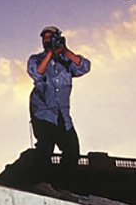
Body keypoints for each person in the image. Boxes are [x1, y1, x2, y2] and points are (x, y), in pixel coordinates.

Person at [27, 26, 90, 188]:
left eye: (51, 37)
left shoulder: (66, 60)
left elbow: (84, 67)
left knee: (72, 149)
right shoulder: (36, 59)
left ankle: (63, 186)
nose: (47, 40)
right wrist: (49, 54)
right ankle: (42, 183)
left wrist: (65, 51)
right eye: (45, 38)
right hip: (42, 111)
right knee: (45, 146)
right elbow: (36, 74)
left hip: (62, 114)